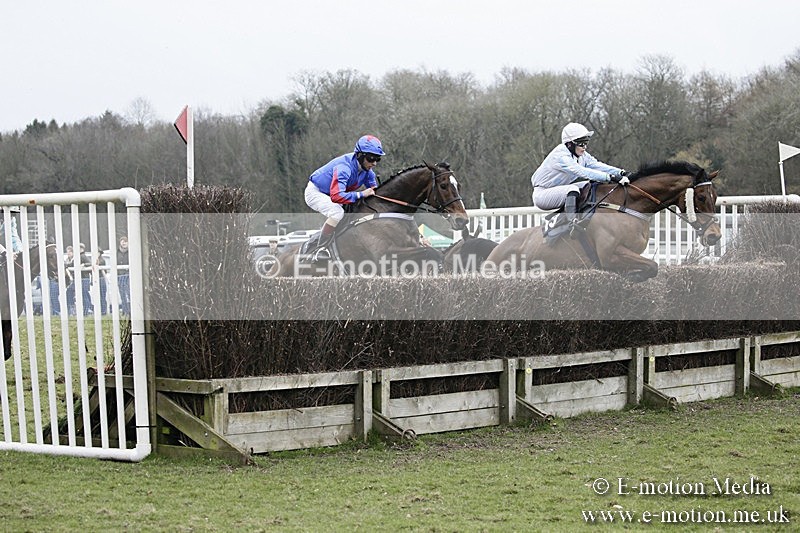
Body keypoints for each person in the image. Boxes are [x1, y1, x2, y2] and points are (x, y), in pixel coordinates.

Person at [531, 122, 630, 233]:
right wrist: (610, 177)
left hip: (559, 190)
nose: (584, 147)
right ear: (570, 144)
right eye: (581, 144)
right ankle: (572, 223)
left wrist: (621, 172)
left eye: (586, 143)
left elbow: (597, 165)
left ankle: (591, 215)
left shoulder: (580, 155)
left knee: (589, 185)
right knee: (572, 189)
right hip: (542, 195)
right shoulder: (561, 156)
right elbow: (581, 171)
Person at [304, 135, 385, 258]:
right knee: (337, 213)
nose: (374, 163)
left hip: (335, 194)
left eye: (377, 159)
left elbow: (375, 194)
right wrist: (361, 194)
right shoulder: (344, 168)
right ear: (360, 155)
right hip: (316, 192)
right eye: (371, 158)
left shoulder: (368, 172)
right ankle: (320, 249)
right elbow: (336, 196)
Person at [116, 236, 131, 315]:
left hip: (129, 276)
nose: (124, 243)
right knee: (122, 294)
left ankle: (131, 309)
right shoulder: (117, 252)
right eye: (122, 241)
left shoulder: (131, 251)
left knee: (129, 293)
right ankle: (125, 310)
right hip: (120, 276)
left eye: (125, 241)